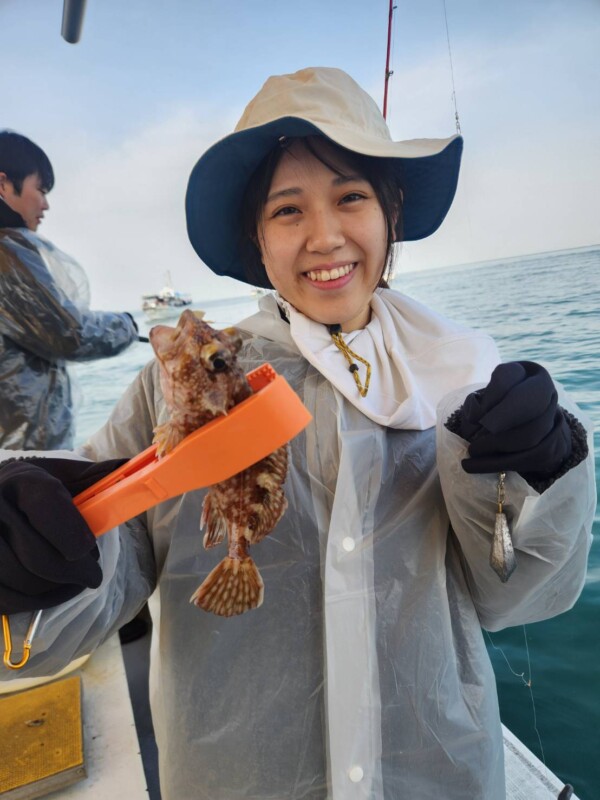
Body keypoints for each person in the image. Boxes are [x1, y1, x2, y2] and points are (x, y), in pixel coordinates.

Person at [0, 69, 595, 800]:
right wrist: (37, 554)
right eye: (287, 211)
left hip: (438, 775)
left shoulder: (459, 378)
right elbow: (106, 570)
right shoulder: (177, 382)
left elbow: (522, 597)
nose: (324, 235)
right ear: (257, 239)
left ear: (391, 212)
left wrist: (541, 474)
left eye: (352, 196)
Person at [0, 130, 140, 450]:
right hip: (21, 464)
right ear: (4, 184)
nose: (45, 204)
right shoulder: (7, 253)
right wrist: (127, 325)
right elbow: (68, 334)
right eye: (41, 189)